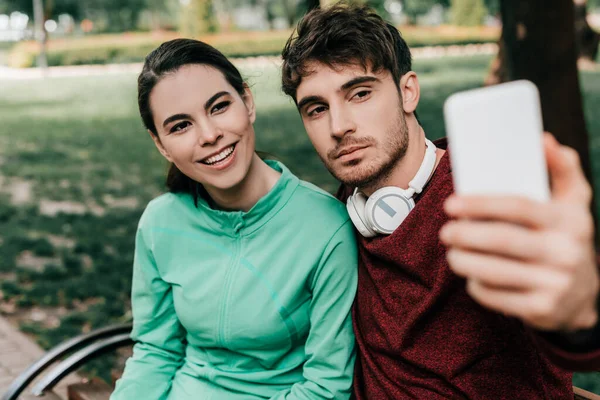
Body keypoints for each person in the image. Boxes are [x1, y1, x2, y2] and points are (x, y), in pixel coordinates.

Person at [281, 3, 600, 399]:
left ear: (407, 91)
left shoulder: (485, 199)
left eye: (360, 93)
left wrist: (581, 313)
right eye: (316, 109)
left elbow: (574, 326)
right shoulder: (345, 208)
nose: (338, 126)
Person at [110, 38, 358, 400]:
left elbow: (326, 387)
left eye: (219, 107)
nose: (210, 135)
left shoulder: (327, 228)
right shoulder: (159, 223)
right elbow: (156, 352)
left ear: (248, 101)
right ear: (160, 144)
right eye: (180, 126)